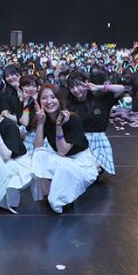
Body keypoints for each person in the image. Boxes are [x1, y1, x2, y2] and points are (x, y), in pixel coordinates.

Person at [31, 84, 98, 213]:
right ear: (39, 102)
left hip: (79, 163)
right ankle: (49, 193)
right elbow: (37, 148)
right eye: (44, 98)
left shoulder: (73, 119)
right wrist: (40, 123)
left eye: (53, 97)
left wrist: (59, 126)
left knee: (56, 202)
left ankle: (61, 196)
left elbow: (62, 151)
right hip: (63, 161)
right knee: (39, 155)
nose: (49, 101)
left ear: (59, 99)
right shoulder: (45, 119)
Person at [65, 71, 124, 175]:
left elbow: (121, 89)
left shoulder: (101, 98)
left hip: (99, 142)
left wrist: (98, 87)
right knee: (79, 169)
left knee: (95, 169)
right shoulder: (69, 105)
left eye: (79, 85)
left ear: (86, 83)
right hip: (79, 141)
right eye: (72, 87)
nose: (76, 90)